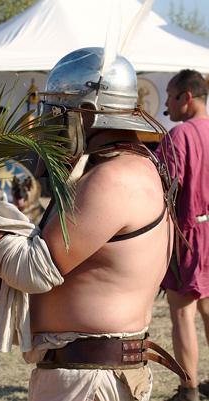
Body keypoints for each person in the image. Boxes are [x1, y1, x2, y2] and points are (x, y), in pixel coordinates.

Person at [0, 47, 185, 400]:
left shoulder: (116, 177)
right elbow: (73, 271)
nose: (49, 125)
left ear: (85, 114)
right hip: (83, 375)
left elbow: (33, 268)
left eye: (58, 113)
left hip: (91, 381)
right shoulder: (113, 168)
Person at [156, 69, 209, 401]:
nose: (166, 105)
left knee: (182, 314)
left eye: (170, 97)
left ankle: (188, 389)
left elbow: (159, 186)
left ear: (187, 98)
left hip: (189, 234)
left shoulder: (181, 135)